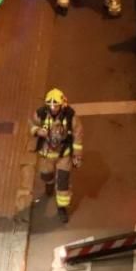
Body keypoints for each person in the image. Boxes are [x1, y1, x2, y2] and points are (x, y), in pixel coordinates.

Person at [30, 89, 84, 223]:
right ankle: (49, 183)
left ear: (62, 104)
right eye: (50, 105)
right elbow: (30, 125)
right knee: (45, 174)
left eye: (56, 105)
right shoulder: (40, 114)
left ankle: (62, 208)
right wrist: (37, 131)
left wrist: (77, 156)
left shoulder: (70, 116)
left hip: (63, 156)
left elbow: (78, 136)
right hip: (46, 154)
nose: (53, 108)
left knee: (63, 183)